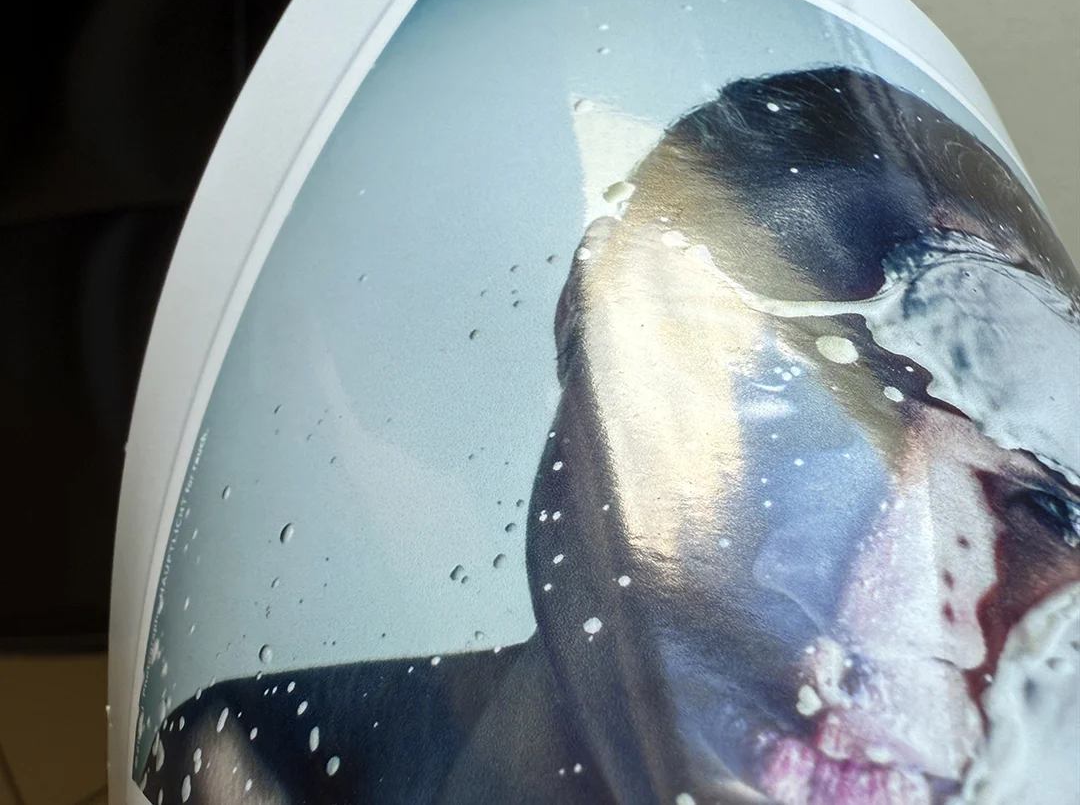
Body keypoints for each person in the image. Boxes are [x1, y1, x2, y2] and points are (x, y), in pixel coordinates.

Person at [140, 66, 1080, 805]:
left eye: (1049, 512)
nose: (882, 603)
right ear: (584, 311)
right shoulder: (256, 757)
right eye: (796, 399)